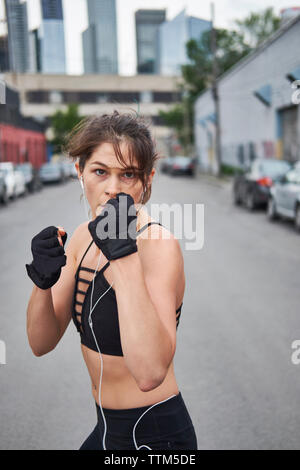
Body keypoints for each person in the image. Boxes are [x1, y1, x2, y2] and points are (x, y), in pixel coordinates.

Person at [25, 111, 198, 450]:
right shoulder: (79, 239)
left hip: (156, 435)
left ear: (147, 180)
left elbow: (149, 373)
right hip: (106, 430)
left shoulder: (159, 245)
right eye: (100, 172)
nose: (113, 188)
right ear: (80, 172)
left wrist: (124, 256)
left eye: (128, 175)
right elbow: (40, 344)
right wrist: (42, 282)